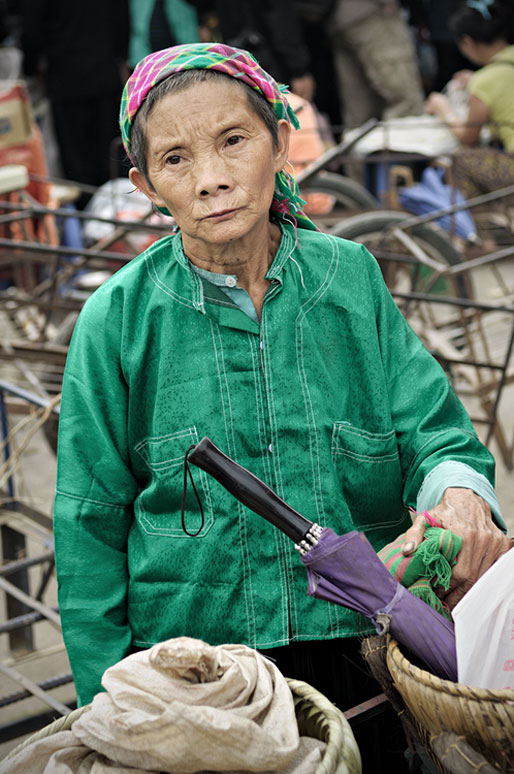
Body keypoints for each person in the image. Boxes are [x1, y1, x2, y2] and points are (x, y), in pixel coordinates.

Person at [54, 41, 509, 770]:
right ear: (144, 184)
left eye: (234, 140)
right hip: (200, 681)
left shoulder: (349, 279)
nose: (211, 179)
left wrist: (458, 493)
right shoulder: (117, 320)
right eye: (175, 159)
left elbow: (437, 435)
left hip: (364, 658)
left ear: (280, 137)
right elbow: (89, 526)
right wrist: (106, 711)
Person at [424, 0, 514, 200]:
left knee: (461, 159)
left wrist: (442, 107)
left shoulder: (484, 81)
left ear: (467, 42)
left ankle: (479, 230)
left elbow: (467, 137)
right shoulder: (490, 75)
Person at [326, 0, 425, 130]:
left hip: (339, 19)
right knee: (405, 104)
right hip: (374, 14)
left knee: (360, 114)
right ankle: (396, 149)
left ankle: (361, 149)